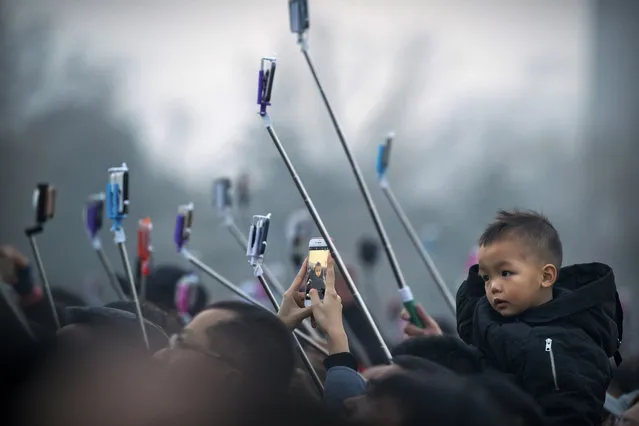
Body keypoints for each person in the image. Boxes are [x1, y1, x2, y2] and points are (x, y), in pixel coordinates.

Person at [457, 209, 623, 426]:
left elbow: (569, 414)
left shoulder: (566, 344)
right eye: (487, 277)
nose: (493, 286)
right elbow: (470, 321)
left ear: (546, 277)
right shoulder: (492, 322)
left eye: (505, 273)